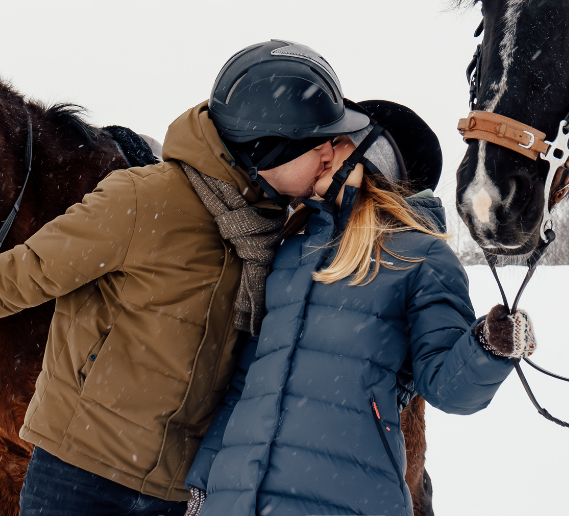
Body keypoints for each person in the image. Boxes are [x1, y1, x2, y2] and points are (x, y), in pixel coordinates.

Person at [0, 42, 530, 516]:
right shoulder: (148, 199)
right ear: (265, 151)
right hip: (83, 477)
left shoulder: (283, 234)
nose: (330, 161)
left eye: (336, 150)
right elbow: (23, 274)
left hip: (180, 492)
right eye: (319, 148)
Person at [186, 53, 530, 516]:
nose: (322, 148)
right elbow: (248, 382)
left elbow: (448, 388)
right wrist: (205, 482)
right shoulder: (291, 249)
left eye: (340, 141)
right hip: (237, 499)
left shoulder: (423, 257)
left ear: (380, 154)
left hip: (343, 498)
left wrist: (487, 348)